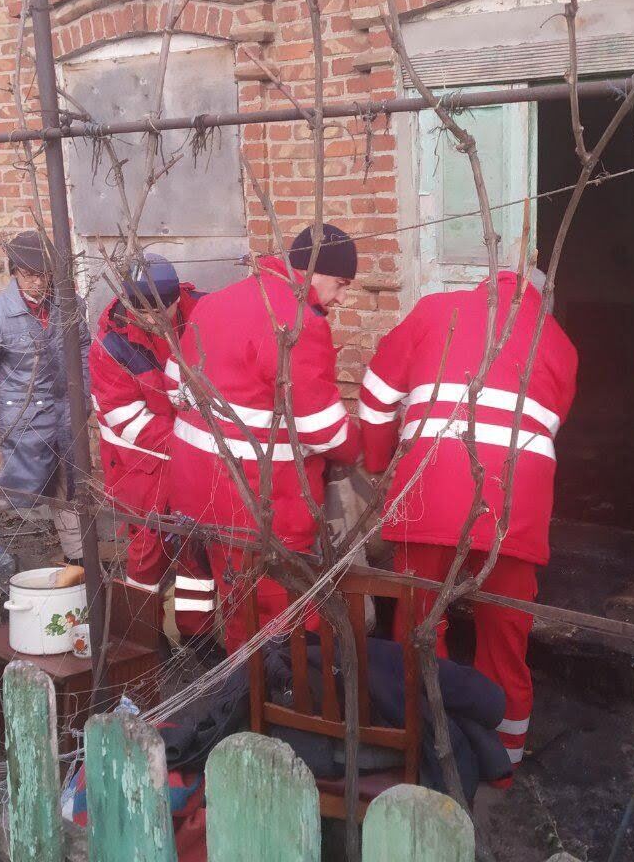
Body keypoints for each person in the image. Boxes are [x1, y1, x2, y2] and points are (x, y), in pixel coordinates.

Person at [358, 267, 578, 770]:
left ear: (484, 284)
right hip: (512, 511)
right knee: (506, 635)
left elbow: (374, 398)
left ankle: (422, 746)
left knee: (417, 625)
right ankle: (502, 763)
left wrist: (377, 467)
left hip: (428, 495)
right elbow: (549, 426)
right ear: (538, 301)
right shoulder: (560, 343)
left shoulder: (435, 312)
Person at [167, 224, 360, 650]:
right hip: (255, 495)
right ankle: (265, 695)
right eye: (341, 284)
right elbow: (322, 429)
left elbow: (174, 384)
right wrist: (356, 447)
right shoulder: (296, 322)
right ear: (313, 271)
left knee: (230, 588)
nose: (342, 298)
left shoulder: (216, 302)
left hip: (195, 483)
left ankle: (225, 670)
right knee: (272, 609)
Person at [89, 252, 215, 638]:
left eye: (167, 309)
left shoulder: (205, 312)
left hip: (194, 463)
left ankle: (196, 639)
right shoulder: (111, 345)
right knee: (146, 557)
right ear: (129, 304)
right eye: (147, 314)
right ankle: (139, 641)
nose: (158, 321)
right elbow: (128, 421)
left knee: (198, 555)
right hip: (142, 467)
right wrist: (196, 440)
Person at [0, 230, 91, 562]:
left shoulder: (68, 304)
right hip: (26, 419)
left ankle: (78, 560)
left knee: (68, 486)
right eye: (30, 275)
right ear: (14, 272)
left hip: (67, 412)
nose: (38, 283)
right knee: (25, 488)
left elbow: (83, 349)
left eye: (44, 275)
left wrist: (86, 395)